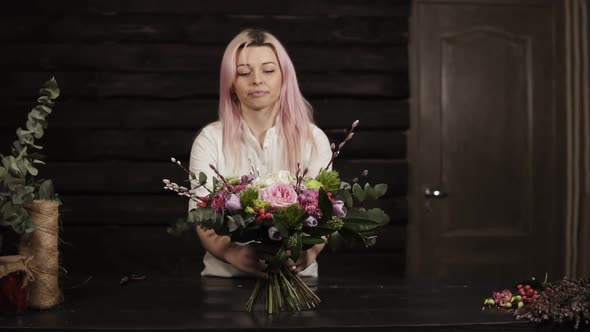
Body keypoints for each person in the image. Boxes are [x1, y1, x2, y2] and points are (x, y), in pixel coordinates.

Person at [189, 29, 333, 279]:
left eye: (268, 70)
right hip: (224, 282)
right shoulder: (210, 140)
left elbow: (324, 214)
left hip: (299, 280)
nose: (257, 80)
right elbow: (203, 217)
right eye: (244, 72)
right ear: (231, 83)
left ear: (284, 78)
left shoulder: (313, 139)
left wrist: (306, 254)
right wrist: (233, 253)